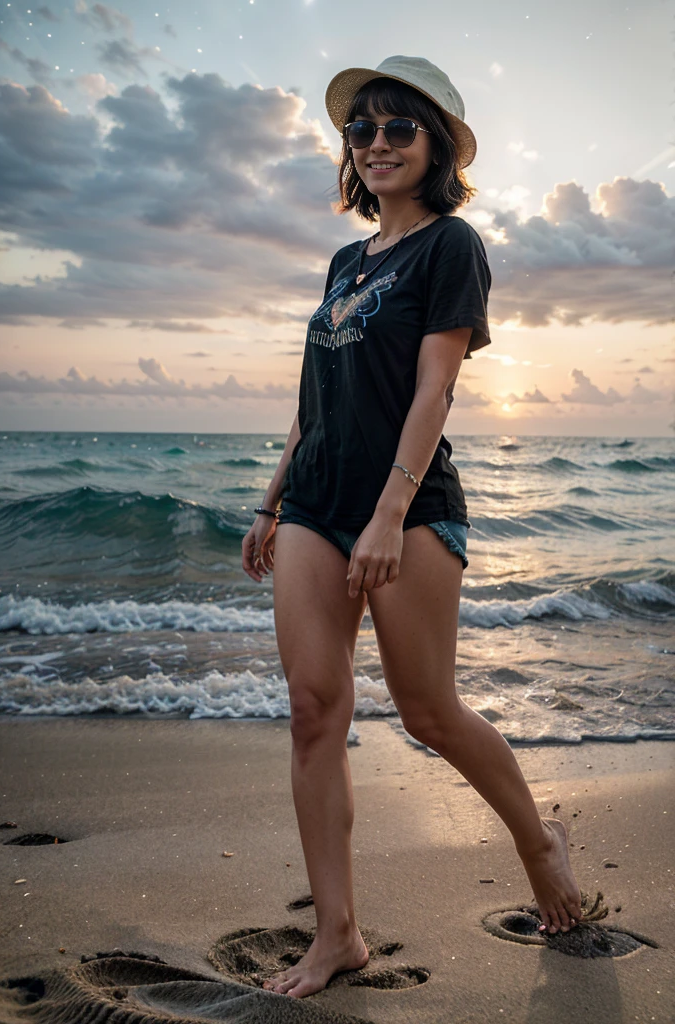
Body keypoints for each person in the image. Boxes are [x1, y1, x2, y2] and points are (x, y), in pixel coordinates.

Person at [241, 56, 582, 999]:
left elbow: (434, 390)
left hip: (409, 506)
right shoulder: (345, 263)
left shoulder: (451, 247)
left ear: (434, 148)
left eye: (400, 130)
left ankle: (537, 842)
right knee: (314, 710)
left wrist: (390, 514)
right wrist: (272, 500)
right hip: (314, 500)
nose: (379, 144)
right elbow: (315, 398)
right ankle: (338, 935)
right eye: (364, 131)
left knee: (427, 709)